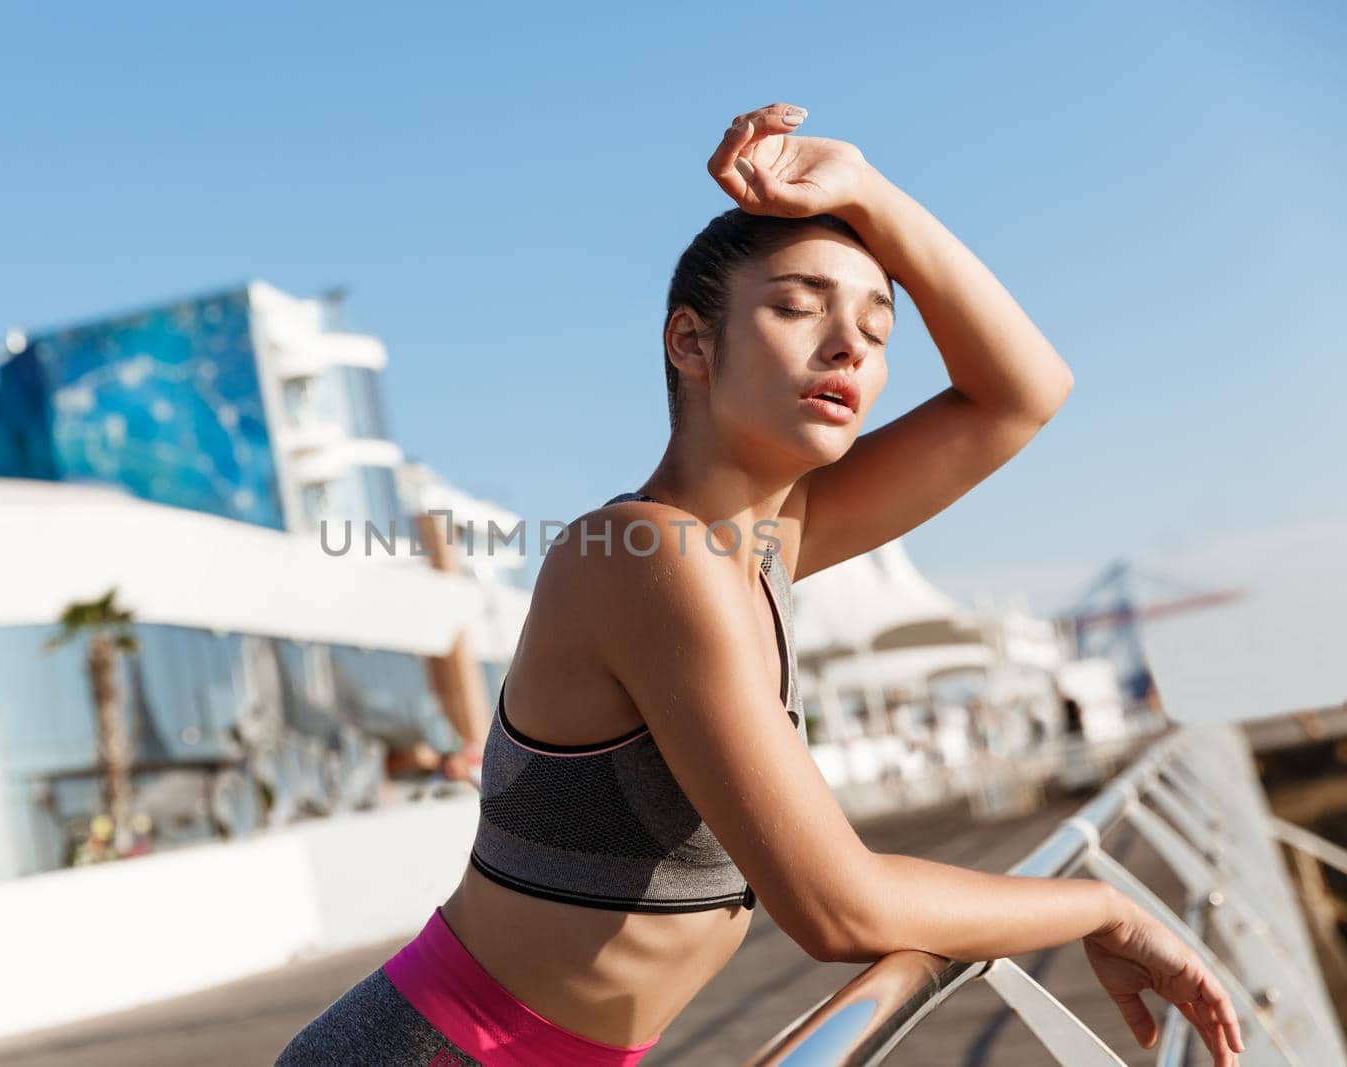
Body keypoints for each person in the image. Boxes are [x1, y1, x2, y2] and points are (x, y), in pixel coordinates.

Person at [275, 102, 1243, 1067]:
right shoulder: (643, 552)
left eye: (876, 325)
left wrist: (864, 186)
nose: (850, 347)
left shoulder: (770, 544)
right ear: (690, 343)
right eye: (796, 306)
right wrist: (1103, 905)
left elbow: (1021, 391)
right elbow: (836, 905)